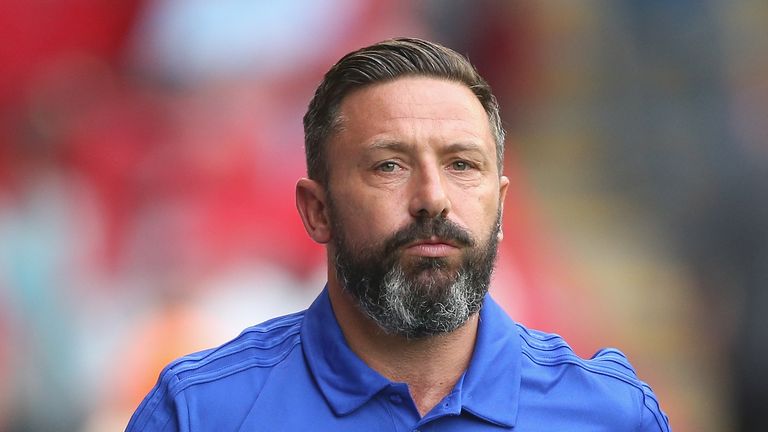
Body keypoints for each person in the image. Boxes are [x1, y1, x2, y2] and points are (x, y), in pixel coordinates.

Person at [126, 37, 671, 431]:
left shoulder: (610, 414)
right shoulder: (201, 411)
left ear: (501, 209)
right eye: (389, 166)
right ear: (317, 210)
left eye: (462, 164)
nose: (433, 197)